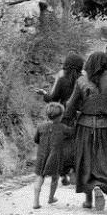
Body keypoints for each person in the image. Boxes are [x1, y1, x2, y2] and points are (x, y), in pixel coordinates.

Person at [64, 51, 107, 211]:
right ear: (105, 64)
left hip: (85, 126)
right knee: (104, 159)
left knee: (86, 160)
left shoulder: (81, 81)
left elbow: (71, 106)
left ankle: (89, 199)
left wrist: (65, 121)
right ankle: (100, 186)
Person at [35, 53, 85, 185]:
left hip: (64, 116)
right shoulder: (84, 81)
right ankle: (75, 171)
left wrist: (45, 94)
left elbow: (53, 98)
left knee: (62, 146)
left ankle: (63, 173)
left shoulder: (62, 80)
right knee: (78, 145)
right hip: (81, 117)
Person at [32, 102, 72, 209]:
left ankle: (36, 201)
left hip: (41, 156)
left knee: (39, 177)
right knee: (55, 178)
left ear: (47, 115)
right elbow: (72, 133)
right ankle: (51, 197)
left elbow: (36, 140)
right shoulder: (63, 128)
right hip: (55, 158)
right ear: (60, 116)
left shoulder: (40, 127)